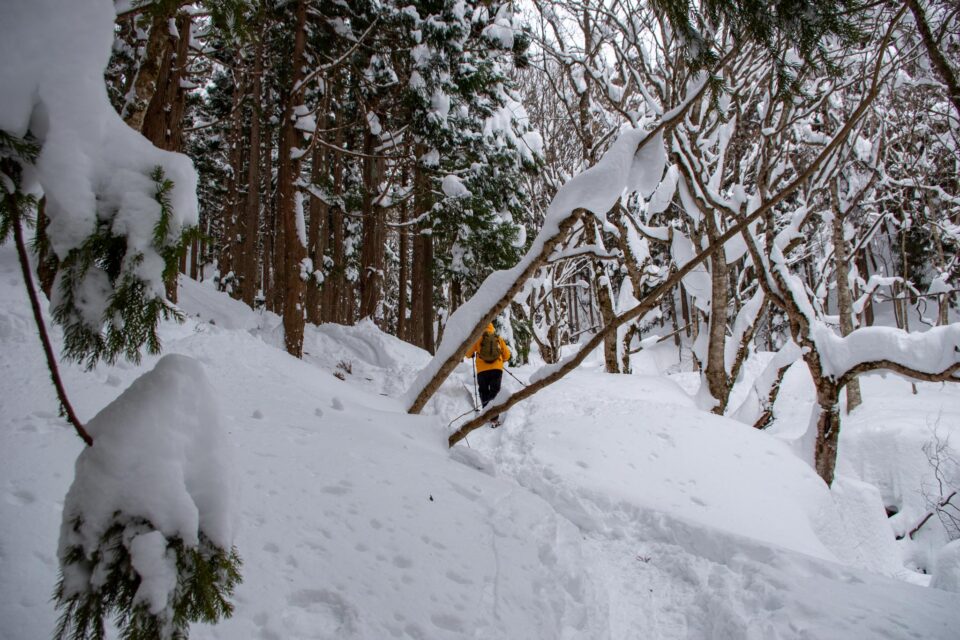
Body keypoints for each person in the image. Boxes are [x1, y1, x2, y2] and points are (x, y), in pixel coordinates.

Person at [464, 323, 511, 414]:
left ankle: (487, 414)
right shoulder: (498, 338)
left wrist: (474, 353)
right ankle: (494, 416)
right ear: (492, 327)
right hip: (497, 369)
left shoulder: (478, 339)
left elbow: (468, 354)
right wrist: (500, 361)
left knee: (484, 391)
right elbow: (507, 355)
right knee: (495, 391)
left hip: (482, 370)